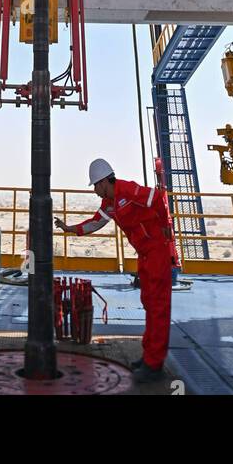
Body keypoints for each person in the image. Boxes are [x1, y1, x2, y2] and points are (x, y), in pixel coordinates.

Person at [55, 157, 173, 383]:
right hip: (145, 256)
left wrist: (165, 229)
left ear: (103, 182)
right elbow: (94, 223)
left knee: (158, 307)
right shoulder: (110, 202)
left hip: (157, 252)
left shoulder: (128, 190)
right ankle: (149, 357)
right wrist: (68, 228)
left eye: (95, 187)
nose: (95, 192)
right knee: (149, 302)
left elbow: (157, 199)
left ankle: (154, 365)